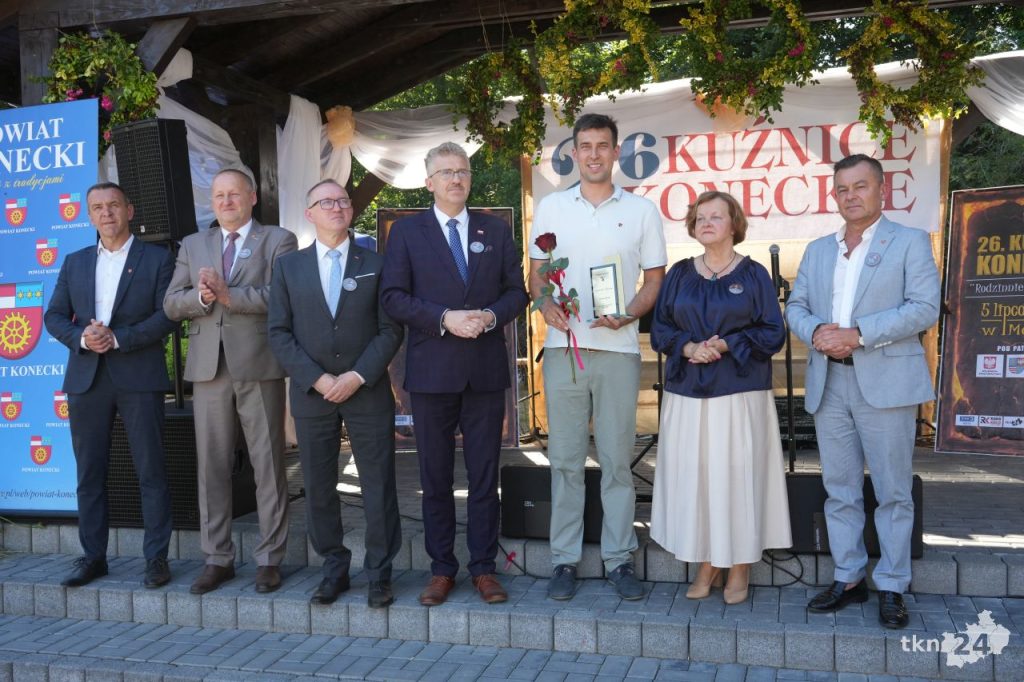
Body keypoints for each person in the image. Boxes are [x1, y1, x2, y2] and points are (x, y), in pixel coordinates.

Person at [786, 154, 940, 629]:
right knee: (840, 489)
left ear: (881, 190)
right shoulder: (818, 250)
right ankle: (849, 576)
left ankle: (892, 584)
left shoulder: (910, 242)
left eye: (860, 186)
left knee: (893, 491)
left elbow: (924, 307)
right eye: (842, 189)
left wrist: (858, 334)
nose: (850, 196)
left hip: (887, 381)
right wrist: (816, 332)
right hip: (829, 381)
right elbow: (795, 306)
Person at [380, 141, 528, 606]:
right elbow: (393, 297)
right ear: (429, 182)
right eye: (445, 172)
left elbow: (517, 293)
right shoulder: (407, 233)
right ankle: (442, 569)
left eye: (462, 171)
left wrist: (489, 316)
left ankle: (483, 568)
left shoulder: (494, 229)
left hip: (484, 371)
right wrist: (444, 318)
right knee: (435, 478)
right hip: (431, 373)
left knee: (485, 477)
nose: (456, 179)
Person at [528, 113, 667, 601]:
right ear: (573, 153)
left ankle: (619, 559)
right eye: (584, 146)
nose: (593, 154)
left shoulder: (642, 210)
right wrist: (546, 305)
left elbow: (654, 279)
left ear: (616, 152)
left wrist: (629, 313)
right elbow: (537, 275)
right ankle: (564, 560)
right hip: (564, 350)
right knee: (565, 460)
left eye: (602, 146)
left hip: (618, 351)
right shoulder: (552, 207)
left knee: (616, 461)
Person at [648, 191, 791, 604]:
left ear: (734, 225)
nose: (707, 223)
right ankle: (708, 561)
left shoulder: (754, 274)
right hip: (688, 393)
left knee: (737, 476)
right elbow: (660, 329)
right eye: (700, 217)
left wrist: (727, 344)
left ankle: (740, 563)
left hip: (739, 393)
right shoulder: (679, 274)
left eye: (716, 216)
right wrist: (689, 347)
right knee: (698, 478)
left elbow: (773, 333)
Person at [268, 180, 403, 608]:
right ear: (309, 213)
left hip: (367, 391)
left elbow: (390, 330)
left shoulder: (378, 264)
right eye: (325, 202)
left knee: (378, 484)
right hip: (313, 394)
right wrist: (319, 379)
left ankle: (379, 573)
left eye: (342, 200)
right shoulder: (288, 267)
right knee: (318, 484)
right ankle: (333, 567)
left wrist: (357, 376)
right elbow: (279, 333)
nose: (336, 207)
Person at [163, 168, 298, 595]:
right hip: (208, 368)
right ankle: (216, 558)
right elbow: (171, 303)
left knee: (268, 466)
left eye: (234, 194)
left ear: (252, 197)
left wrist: (229, 295)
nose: (226, 202)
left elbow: (284, 296)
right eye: (219, 195)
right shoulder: (193, 244)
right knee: (211, 467)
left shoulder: (279, 239)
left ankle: (269, 558)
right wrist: (202, 297)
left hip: (258, 365)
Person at [44, 182, 176, 589]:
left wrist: (118, 338)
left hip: (139, 376)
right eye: (98, 207)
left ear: (129, 210)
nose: (106, 213)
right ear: (89, 215)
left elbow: (168, 315)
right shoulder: (75, 262)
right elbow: (54, 316)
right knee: (89, 473)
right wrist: (84, 337)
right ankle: (93, 557)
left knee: (151, 470)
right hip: (87, 379)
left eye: (114, 205)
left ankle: (156, 559)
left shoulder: (158, 258)